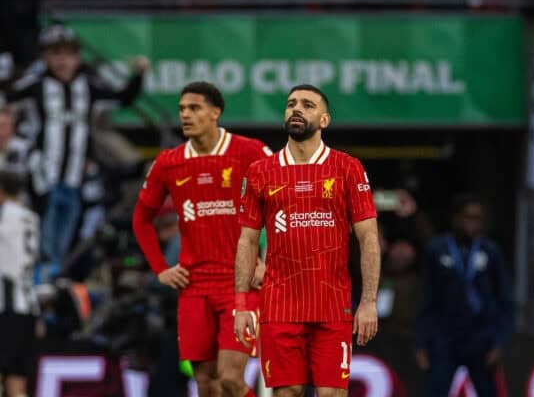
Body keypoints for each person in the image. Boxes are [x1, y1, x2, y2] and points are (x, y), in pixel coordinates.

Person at [234, 84, 381, 397]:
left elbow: (368, 239)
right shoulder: (261, 171)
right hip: (278, 306)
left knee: (331, 394)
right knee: (287, 393)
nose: (296, 109)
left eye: (307, 105)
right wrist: (241, 303)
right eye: (290, 104)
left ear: (325, 120)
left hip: (332, 306)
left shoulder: (348, 168)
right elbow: (247, 241)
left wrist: (368, 302)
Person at [132, 81, 271, 397]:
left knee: (231, 380)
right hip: (193, 287)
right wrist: (160, 269)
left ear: (215, 112)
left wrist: (268, 261)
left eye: (194, 108)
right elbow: (141, 219)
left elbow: (283, 204)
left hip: (240, 284)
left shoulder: (250, 152)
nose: (186, 115)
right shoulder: (169, 162)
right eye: (182, 109)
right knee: (206, 385)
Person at [5, 24, 148, 267]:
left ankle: (51, 287)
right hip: (43, 178)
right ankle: (40, 286)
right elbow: (7, 97)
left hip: (74, 179)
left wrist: (139, 75)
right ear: (46, 57)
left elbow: (122, 98)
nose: (62, 61)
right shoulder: (35, 86)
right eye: (55, 54)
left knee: (65, 243)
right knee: (43, 242)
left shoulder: (88, 86)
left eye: (68, 54)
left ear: (77, 57)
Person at [415, 193, 513, 397]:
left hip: (481, 336)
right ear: (456, 218)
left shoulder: (491, 251)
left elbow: (504, 299)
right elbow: (426, 299)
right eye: (468, 217)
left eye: (478, 219)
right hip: (445, 336)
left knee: (488, 391)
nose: (473, 224)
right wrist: (421, 343)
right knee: (436, 390)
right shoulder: (437, 250)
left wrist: (499, 341)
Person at [0, 170, 40, 397]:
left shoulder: (4, 215)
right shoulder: (31, 217)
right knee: (17, 383)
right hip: (28, 307)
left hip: (5, 308)